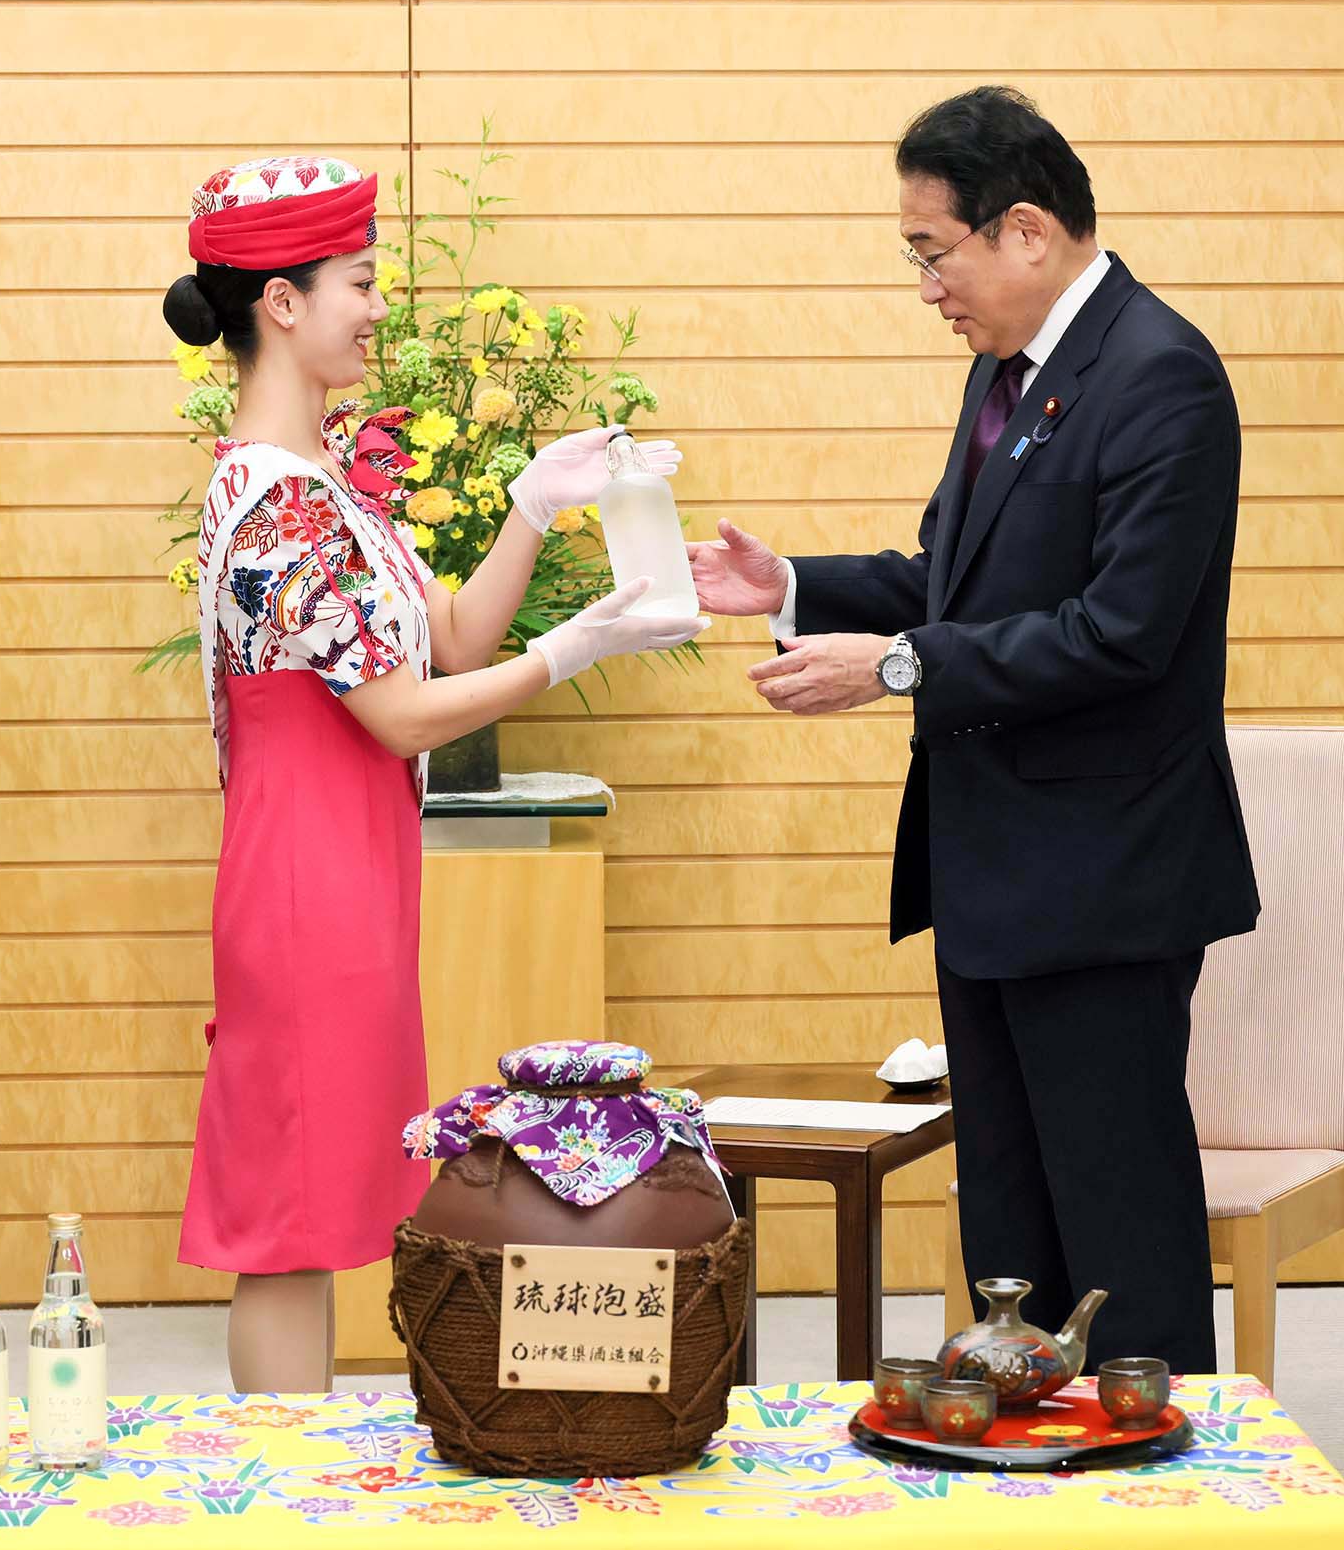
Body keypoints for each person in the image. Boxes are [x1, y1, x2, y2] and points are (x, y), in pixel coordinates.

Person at [689, 87, 1257, 1377]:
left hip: (1104, 874)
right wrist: (788, 589)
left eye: (929, 252)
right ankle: (1028, 1445)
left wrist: (893, 667)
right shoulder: (1008, 374)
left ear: (1023, 232)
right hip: (994, 863)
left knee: (1116, 1219)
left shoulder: (1160, 374)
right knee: (1007, 1207)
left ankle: (1159, 1491)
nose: (926, 285)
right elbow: (953, 580)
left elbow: (1120, 632)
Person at [163, 156, 706, 1393]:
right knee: (290, 1226)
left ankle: (292, 1485)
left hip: (347, 872)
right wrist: (573, 651)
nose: (375, 307)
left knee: (331, 1192)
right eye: (357, 283)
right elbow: (405, 716)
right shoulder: (272, 506)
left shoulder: (326, 489)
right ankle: (284, 1495)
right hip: (305, 881)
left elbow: (450, 640)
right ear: (281, 304)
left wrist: (529, 507)